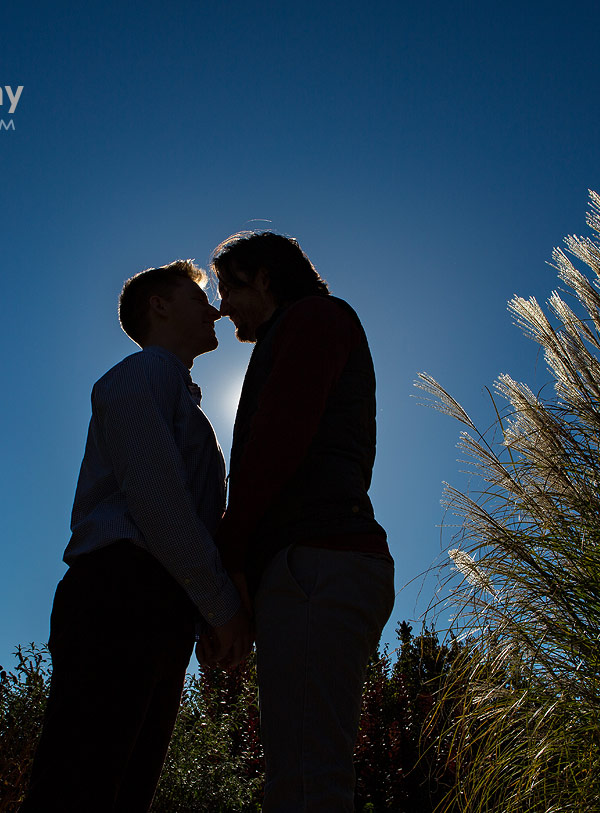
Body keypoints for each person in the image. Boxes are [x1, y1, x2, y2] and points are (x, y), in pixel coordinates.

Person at [22, 260, 250, 812]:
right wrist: (220, 607)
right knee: (84, 784)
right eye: (198, 299)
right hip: (122, 591)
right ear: (159, 306)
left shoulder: (180, 397)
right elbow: (157, 500)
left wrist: (199, 614)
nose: (214, 308)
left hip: (154, 601)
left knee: (122, 787)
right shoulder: (145, 372)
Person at [211, 231, 395, 812]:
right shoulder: (305, 328)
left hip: (319, 562)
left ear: (265, 277)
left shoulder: (315, 318)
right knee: (296, 777)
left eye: (229, 287)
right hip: (314, 566)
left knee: (307, 784)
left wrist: (231, 555)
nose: (222, 307)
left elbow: (276, 442)